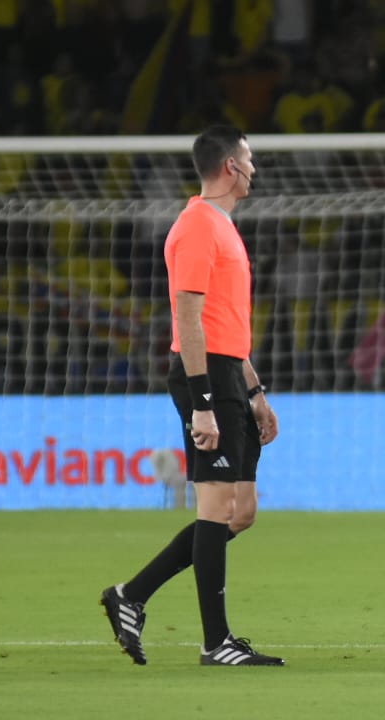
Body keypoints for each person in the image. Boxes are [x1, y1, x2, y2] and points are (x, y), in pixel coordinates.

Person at [101, 125, 284, 667]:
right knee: (216, 505)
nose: (254, 168)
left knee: (241, 510)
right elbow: (187, 316)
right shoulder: (197, 227)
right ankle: (216, 642)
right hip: (203, 378)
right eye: (249, 158)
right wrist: (203, 402)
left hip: (230, 374)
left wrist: (255, 392)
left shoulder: (223, 226)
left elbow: (224, 323)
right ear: (231, 165)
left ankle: (130, 595)